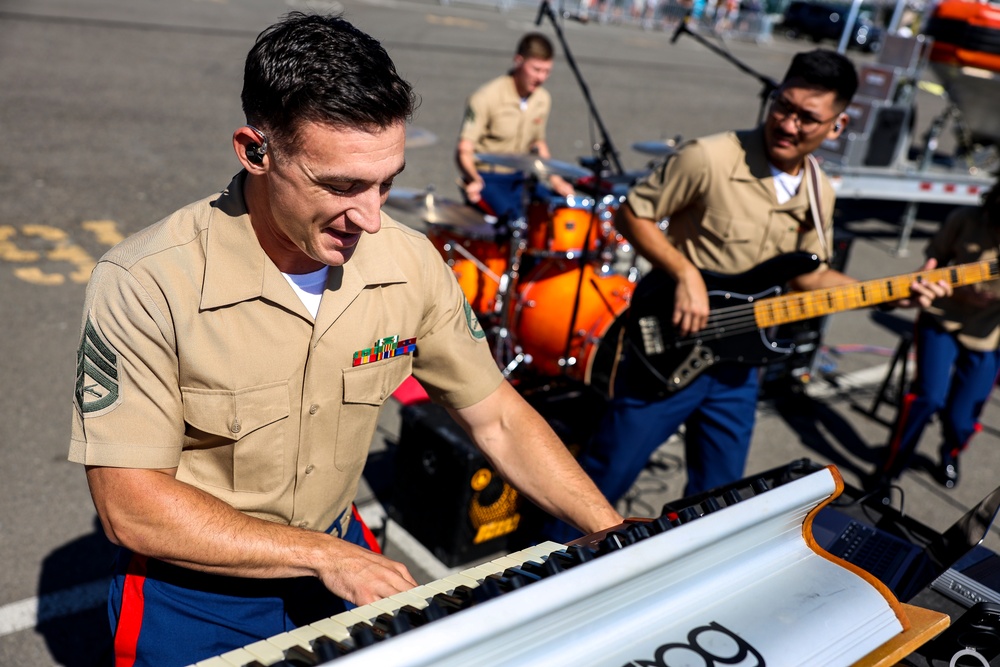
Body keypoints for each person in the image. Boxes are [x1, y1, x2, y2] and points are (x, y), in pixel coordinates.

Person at [69, 13, 622, 666]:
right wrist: (324, 555)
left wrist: (615, 532)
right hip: (192, 595)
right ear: (254, 150)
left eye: (387, 181)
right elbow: (131, 507)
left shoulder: (410, 263)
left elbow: (496, 414)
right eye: (340, 185)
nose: (372, 217)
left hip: (339, 561)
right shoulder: (147, 282)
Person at [545, 49, 950, 542]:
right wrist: (685, 272)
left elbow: (809, 279)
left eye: (808, 118)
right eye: (784, 105)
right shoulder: (710, 156)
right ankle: (535, 569)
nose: (789, 123)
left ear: (837, 126)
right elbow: (633, 214)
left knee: (717, 504)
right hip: (672, 347)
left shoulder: (820, 191)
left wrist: (895, 295)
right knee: (602, 481)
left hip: (739, 370)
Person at [873, 181, 1000, 490]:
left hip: (987, 331)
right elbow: (933, 260)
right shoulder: (966, 219)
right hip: (942, 316)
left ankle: (950, 452)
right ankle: (889, 472)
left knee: (962, 417)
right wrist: (925, 283)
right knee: (927, 398)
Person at [455, 32, 575, 222]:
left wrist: (556, 180)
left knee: (557, 212)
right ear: (518, 61)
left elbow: (539, 144)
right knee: (516, 222)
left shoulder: (542, 99)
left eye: (547, 71)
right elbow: (464, 150)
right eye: (536, 69)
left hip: (520, 177)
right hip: (489, 177)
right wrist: (474, 180)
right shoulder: (485, 97)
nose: (542, 77)